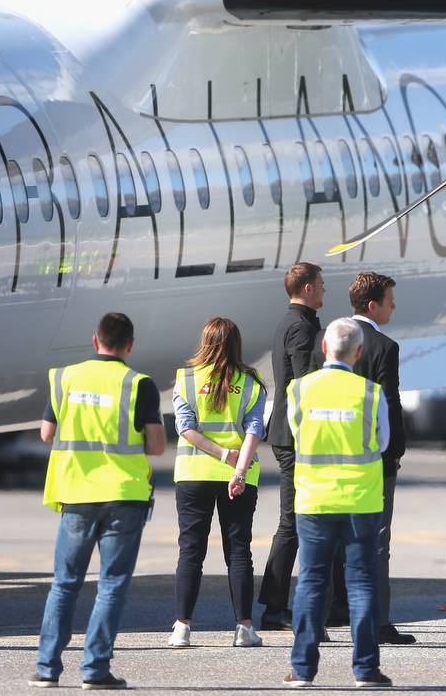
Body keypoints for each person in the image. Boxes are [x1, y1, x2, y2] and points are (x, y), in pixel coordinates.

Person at [30, 313, 166, 690]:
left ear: (95, 341)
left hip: (75, 493)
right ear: (130, 345)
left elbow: (46, 434)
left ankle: (46, 668)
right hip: (124, 496)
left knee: (64, 584)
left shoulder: (65, 378)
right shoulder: (139, 385)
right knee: (111, 585)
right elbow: (156, 446)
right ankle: (94, 669)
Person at [282, 318, 392, 688]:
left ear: (324, 348)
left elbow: (297, 434)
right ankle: (365, 669)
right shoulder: (371, 393)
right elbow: (381, 443)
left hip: (314, 499)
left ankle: (302, 670)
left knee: (312, 583)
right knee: (361, 584)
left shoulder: (299, 390)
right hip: (361, 499)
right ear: (358, 353)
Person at [312, 271, 412, 644]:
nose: (394, 306)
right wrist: (395, 453)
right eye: (389, 300)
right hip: (372, 461)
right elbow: (391, 405)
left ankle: (319, 620)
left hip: (325, 457)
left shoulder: (328, 340)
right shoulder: (384, 347)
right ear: (373, 305)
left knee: (323, 543)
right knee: (375, 543)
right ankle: (376, 622)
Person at [167, 317, 267, 649]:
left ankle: (182, 627)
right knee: (238, 551)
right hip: (236, 478)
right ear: (236, 344)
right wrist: (236, 468)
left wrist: (221, 454)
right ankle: (244, 628)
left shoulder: (186, 380)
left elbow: (185, 428)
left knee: (190, 551)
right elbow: (255, 430)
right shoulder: (252, 383)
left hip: (194, 474)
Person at [258, 262, 325, 632]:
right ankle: (274, 605)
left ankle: (278, 604)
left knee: (295, 522)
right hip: (295, 435)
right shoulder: (300, 327)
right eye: (322, 285)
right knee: (293, 523)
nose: (325, 291)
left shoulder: (294, 321)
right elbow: (305, 384)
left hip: (290, 433)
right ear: (309, 288)